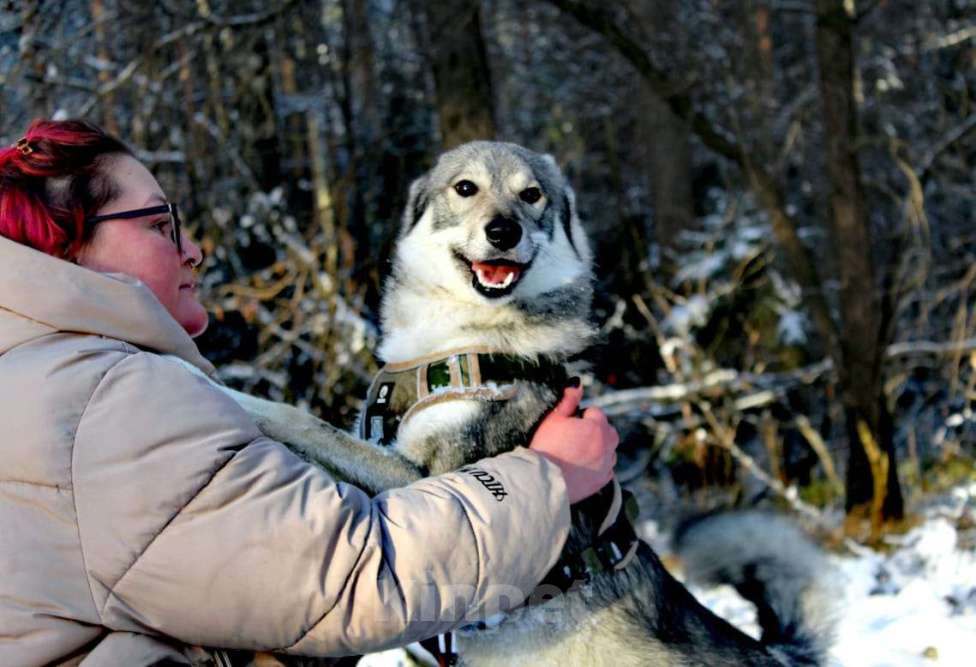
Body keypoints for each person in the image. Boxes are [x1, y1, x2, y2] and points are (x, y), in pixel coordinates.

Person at [0, 119, 619, 666]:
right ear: (69, 243)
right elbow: (358, 577)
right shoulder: (110, 400)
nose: (194, 251)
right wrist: (550, 475)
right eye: (163, 225)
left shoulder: (38, 380)